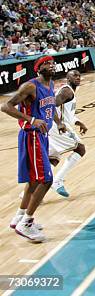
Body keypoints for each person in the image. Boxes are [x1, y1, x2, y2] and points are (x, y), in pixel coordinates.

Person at [1, 56, 66, 242]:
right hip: (32, 135)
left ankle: (19, 218)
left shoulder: (51, 83)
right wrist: (31, 120)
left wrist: (59, 123)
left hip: (42, 136)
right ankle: (26, 224)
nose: (51, 65)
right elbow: (6, 106)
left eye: (52, 62)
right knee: (46, 179)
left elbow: (51, 106)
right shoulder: (30, 86)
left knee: (33, 180)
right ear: (38, 68)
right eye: (46, 63)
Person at [49, 70, 88, 197]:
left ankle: (31, 191)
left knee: (52, 160)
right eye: (74, 76)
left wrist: (78, 122)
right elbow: (51, 105)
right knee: (80, 149)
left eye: (79, 75)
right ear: (68, 78)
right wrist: (59, 123)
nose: (78, 77)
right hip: (59, 127)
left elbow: (67, 113)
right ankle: (57, 181)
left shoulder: (70, 91)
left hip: (57, 126)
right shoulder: (66, 91)